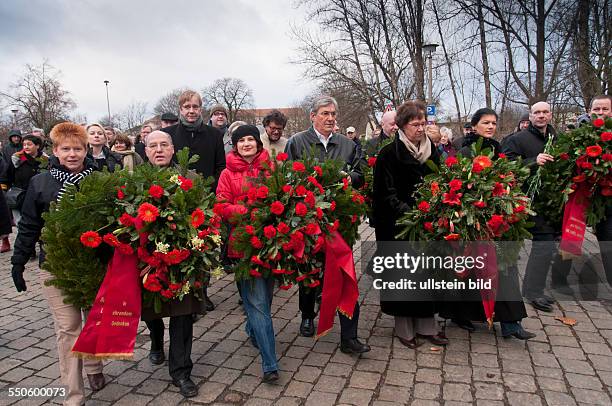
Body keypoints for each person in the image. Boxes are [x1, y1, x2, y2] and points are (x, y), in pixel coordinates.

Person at [10, 122, 106, 405]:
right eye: (66, 149)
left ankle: (93, 366)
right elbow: (28, 224)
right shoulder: (40, 183)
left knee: (93, 321)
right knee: (68, 327)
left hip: (91, 264)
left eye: (78, 148)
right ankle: (74, 394)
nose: (72, 154)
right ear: (55, 150)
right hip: (55, 264)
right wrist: (18, 262)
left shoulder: (99, 178)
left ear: (86, 150)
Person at [439, 108, 535, 339]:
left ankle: (512, 322)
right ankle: (461, 315)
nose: (491, 126)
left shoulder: (498, 149)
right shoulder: (464, 150)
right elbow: (455, 183)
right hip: (471, 219)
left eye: (493, 123)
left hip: (497, 220)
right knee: (469, 269)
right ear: (474, 125)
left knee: (503, 267)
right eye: (485, 123)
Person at [285, 95, 370, 354]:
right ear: (313, 116)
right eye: (325, 113)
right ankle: (308, 315)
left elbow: (361, 173)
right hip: (309, 219)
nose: (330, 118)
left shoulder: (347, 144)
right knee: (310, 272)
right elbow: (288, 176)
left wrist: (348, 177)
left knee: (344, 274)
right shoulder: (297, 141)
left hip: (339, 221)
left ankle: (349, 336)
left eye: (333, 113)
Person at [372, 100, 447, 348]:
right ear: (402, 126)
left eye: (423, 123)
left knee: (426, 276)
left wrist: (435, 209)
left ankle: (427, 325)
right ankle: (404, 327)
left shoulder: (431, 151)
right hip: (397, 227)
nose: (420, 128)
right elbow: (386, 193)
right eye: (415, 124)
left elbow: (441, 182)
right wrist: (411, 214)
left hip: (426, 225)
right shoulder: (388, 154)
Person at [141, 130, 203, 398]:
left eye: (164, 145)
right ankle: (156, 342)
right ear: (145, 151)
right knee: (152, 311)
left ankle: (181, 372)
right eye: (152, 146)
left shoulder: (191, 178)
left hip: (183, 260)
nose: (158, 150)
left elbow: (205, 214)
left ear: (173, 148)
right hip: (148, 260)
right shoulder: (135, 181)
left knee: (182, 314)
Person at [216, 125, 280, 383]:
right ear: (235, 145)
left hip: (270, 243)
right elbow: (221, 206)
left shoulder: (271, 167)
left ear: (258, 143)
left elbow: (282, 196)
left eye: (250, 139)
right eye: (241, 140)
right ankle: (270, 363)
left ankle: (253, 331)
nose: (246, 144)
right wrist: (247, 212)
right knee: (258, 303)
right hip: (242, 244)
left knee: (264, 297)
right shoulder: (227, 173)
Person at [502, 101, 570, 312]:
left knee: (547, 247)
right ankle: (532, 292)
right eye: (536, 112)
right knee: (543, 246)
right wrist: (532, 161)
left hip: (552, 202)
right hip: (529, 202)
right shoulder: (518, 140)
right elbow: (507, 165)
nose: (541, 116)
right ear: (530, 116)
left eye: (544, 112)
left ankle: (535, 290)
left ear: (550, 115)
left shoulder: (557, 139)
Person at [162, 90, 226, 311]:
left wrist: (209, 190)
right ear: (181, 109)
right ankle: (181, 288)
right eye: (187, 107)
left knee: (204, 245)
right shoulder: (169, 133)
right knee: (180, 244)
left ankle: (202, 291)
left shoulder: (214, 135)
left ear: (201, 109)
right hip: (176, 198)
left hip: (205, 198)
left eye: (195, 107)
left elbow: (220, 167)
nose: (191, 111)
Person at [9, 135, 47, 223]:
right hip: (19, 197)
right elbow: (7, 176)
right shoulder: (17, 159)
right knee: (21, 224)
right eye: (24, 144)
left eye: (29, 144)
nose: (26, 147)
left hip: (39, 197)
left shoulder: (45, 160)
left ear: (37, 146)